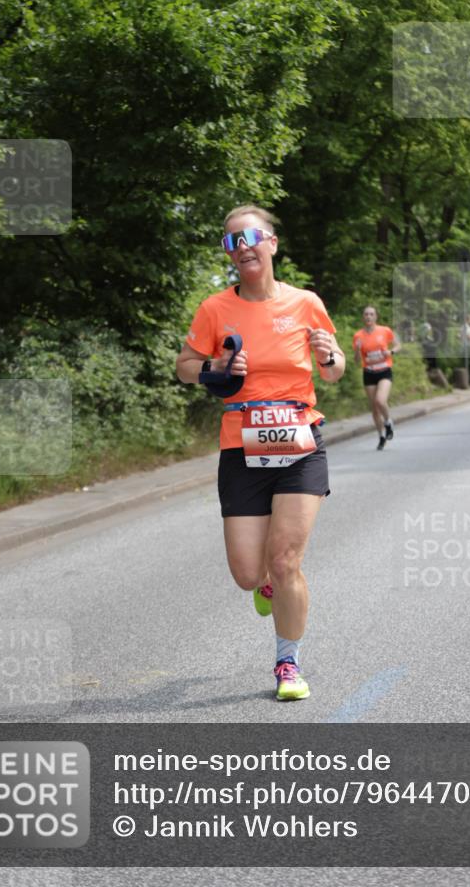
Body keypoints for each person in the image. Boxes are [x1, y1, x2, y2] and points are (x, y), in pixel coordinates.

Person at [176, 205, 345, 701]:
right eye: (231, 241)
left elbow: (333, 369)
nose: (242, 246)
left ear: (271, 242)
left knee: (286, 559)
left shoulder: (306, 303)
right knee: (250, 572)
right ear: (229, 254)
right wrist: (216, 367)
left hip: (299, 438)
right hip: (241, 445)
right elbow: (185, 366)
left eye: (250, 236)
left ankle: (287, 664)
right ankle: (265, 585)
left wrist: (328, 356)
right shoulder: (215, 310)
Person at [353, 306, 401, 451]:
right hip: (368, 372)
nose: (368, 317)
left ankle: (388, 422)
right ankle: (381, 436)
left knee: (380, 400)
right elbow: (356, 361)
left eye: (371, 314)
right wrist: (357, 350)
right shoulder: (358, 336)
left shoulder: (384, 331)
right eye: (366, 314)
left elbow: (398, 345)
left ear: (376, 317)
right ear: (363, 317)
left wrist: (390, 351)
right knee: (374, 408)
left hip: (384, 370)